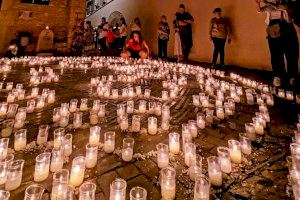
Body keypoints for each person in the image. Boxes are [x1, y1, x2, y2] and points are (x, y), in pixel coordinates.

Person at [256, 0, 299, 90]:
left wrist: (266, 1)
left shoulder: (287, 2)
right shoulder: (270, 6)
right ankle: (278, 76)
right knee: (276, 54)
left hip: (287, 27)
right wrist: (257, 3)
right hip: (273, 28)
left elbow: (281, 7)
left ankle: (292, 77)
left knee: (291, 53)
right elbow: (259, 10)